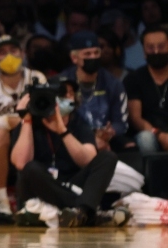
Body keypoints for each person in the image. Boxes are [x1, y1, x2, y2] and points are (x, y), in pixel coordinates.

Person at [10, 79, 129, 227]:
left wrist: (62, 131)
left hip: (72, 183)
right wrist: (26, 120)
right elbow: (21, 163)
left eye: (71, 94)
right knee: (30, 168)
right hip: (43, 187)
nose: (67, 97)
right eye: (62, 94)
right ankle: (87, 212)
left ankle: (80, 212)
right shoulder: (30, 123)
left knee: (107, 157)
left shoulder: (78, 121)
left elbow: (88, 159)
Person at [0, 34, 47, 214]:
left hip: (31, 130)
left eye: (13, 50)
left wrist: (24, 122)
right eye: (2, 52)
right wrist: (10, 121)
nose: (9, 56)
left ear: (22, 54)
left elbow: (45, 112)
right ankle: (2, 202)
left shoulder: (37, 77)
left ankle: (43, 197)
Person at [58, 31, 131, 152]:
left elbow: (121, 122)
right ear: (74, 58)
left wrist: (109, 132)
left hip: (106, 140)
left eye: (96, 53)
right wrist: (89, 138)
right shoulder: (62, 83)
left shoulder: (113, 84)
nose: (93, 57)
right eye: (87, 54)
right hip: (71, 138)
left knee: (129, 146)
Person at [124, 25, 168, 153]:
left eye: (161, 46)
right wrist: (159, 135)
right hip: (149, 133)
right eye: (150, 47)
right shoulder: (134, 78)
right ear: (143, 51)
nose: (156, 51)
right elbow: (135, 118)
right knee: (146, 138)